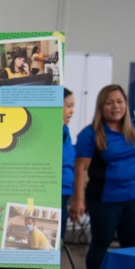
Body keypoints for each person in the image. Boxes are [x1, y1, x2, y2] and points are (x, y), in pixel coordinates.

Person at [69, 84, 135, 269]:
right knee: (100, 245)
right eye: (109, 103)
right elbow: (80, 169)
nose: (115, 107)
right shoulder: (91, 134)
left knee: (132, 247)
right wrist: (79, 201)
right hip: (104, 200)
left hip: (134, 198)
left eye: (119, 102)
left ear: (126, 104)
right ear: (101, 106)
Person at [61, 88, 76, 238]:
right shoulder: (54, 132)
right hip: (54, 196)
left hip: (65, 194)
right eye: (68, 106)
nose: (72, 111)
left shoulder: (65, 130)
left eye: (73, 106)